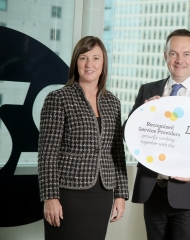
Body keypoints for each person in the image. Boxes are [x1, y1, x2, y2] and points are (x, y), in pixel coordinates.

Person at [125, 29, 190, 240]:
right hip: (153, 191)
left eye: (186, 54)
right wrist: (143, 115)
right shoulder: (148, 90)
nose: (179, 60)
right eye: (173, 53)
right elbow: (127, 133)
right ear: (165, 56)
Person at [38, 36, 129, 240]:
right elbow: (47, 153)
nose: (90, 64)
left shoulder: (112, 102)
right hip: (68, 193)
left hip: (102, 193)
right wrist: (50, 197)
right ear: (76, 62)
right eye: (83, 57)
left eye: (96, 58)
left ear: (103, 63)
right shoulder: (58, 98)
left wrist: (121, 194)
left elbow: (117, 151)